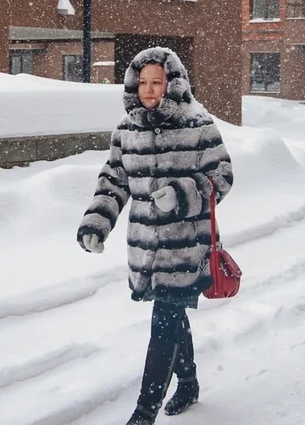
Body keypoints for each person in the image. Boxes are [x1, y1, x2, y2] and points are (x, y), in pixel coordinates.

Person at [77, 47, 233, 425]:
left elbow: (222, 177)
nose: (149, 90)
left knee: (164, 320)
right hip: (145, 248)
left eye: (156, 82)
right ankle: (190, 382)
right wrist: (97, 223)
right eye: (142, 82)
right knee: (172, 315)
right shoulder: (127, 130)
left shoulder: (198, 124)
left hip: (186, 247)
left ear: (172, 83)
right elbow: (114, 182)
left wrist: (182, 194)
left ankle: (144, 413)